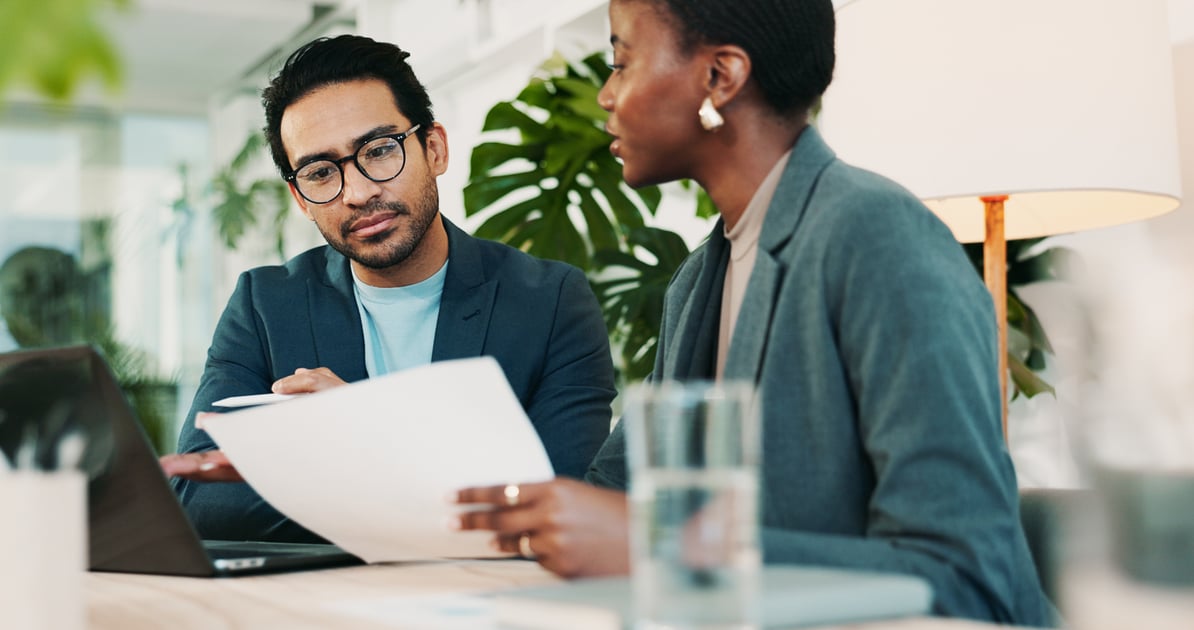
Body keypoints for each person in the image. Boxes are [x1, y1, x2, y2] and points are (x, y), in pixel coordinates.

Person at [452, 0, 1054, 625]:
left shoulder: (875, 234)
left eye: (621, 62)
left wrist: (665, 550)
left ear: (720, 77)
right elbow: (612, 493)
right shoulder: (697, 280)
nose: (606, 95)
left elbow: (966, 576)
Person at [161, 35, 617, 543]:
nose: (358, 193)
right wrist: (419, 483)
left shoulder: (549, 302)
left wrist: (370, 432)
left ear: (435, 148)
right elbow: (200, 501)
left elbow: (560, 506)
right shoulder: (266, 306)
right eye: (320, 172)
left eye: (379, 151)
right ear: (300, 197)